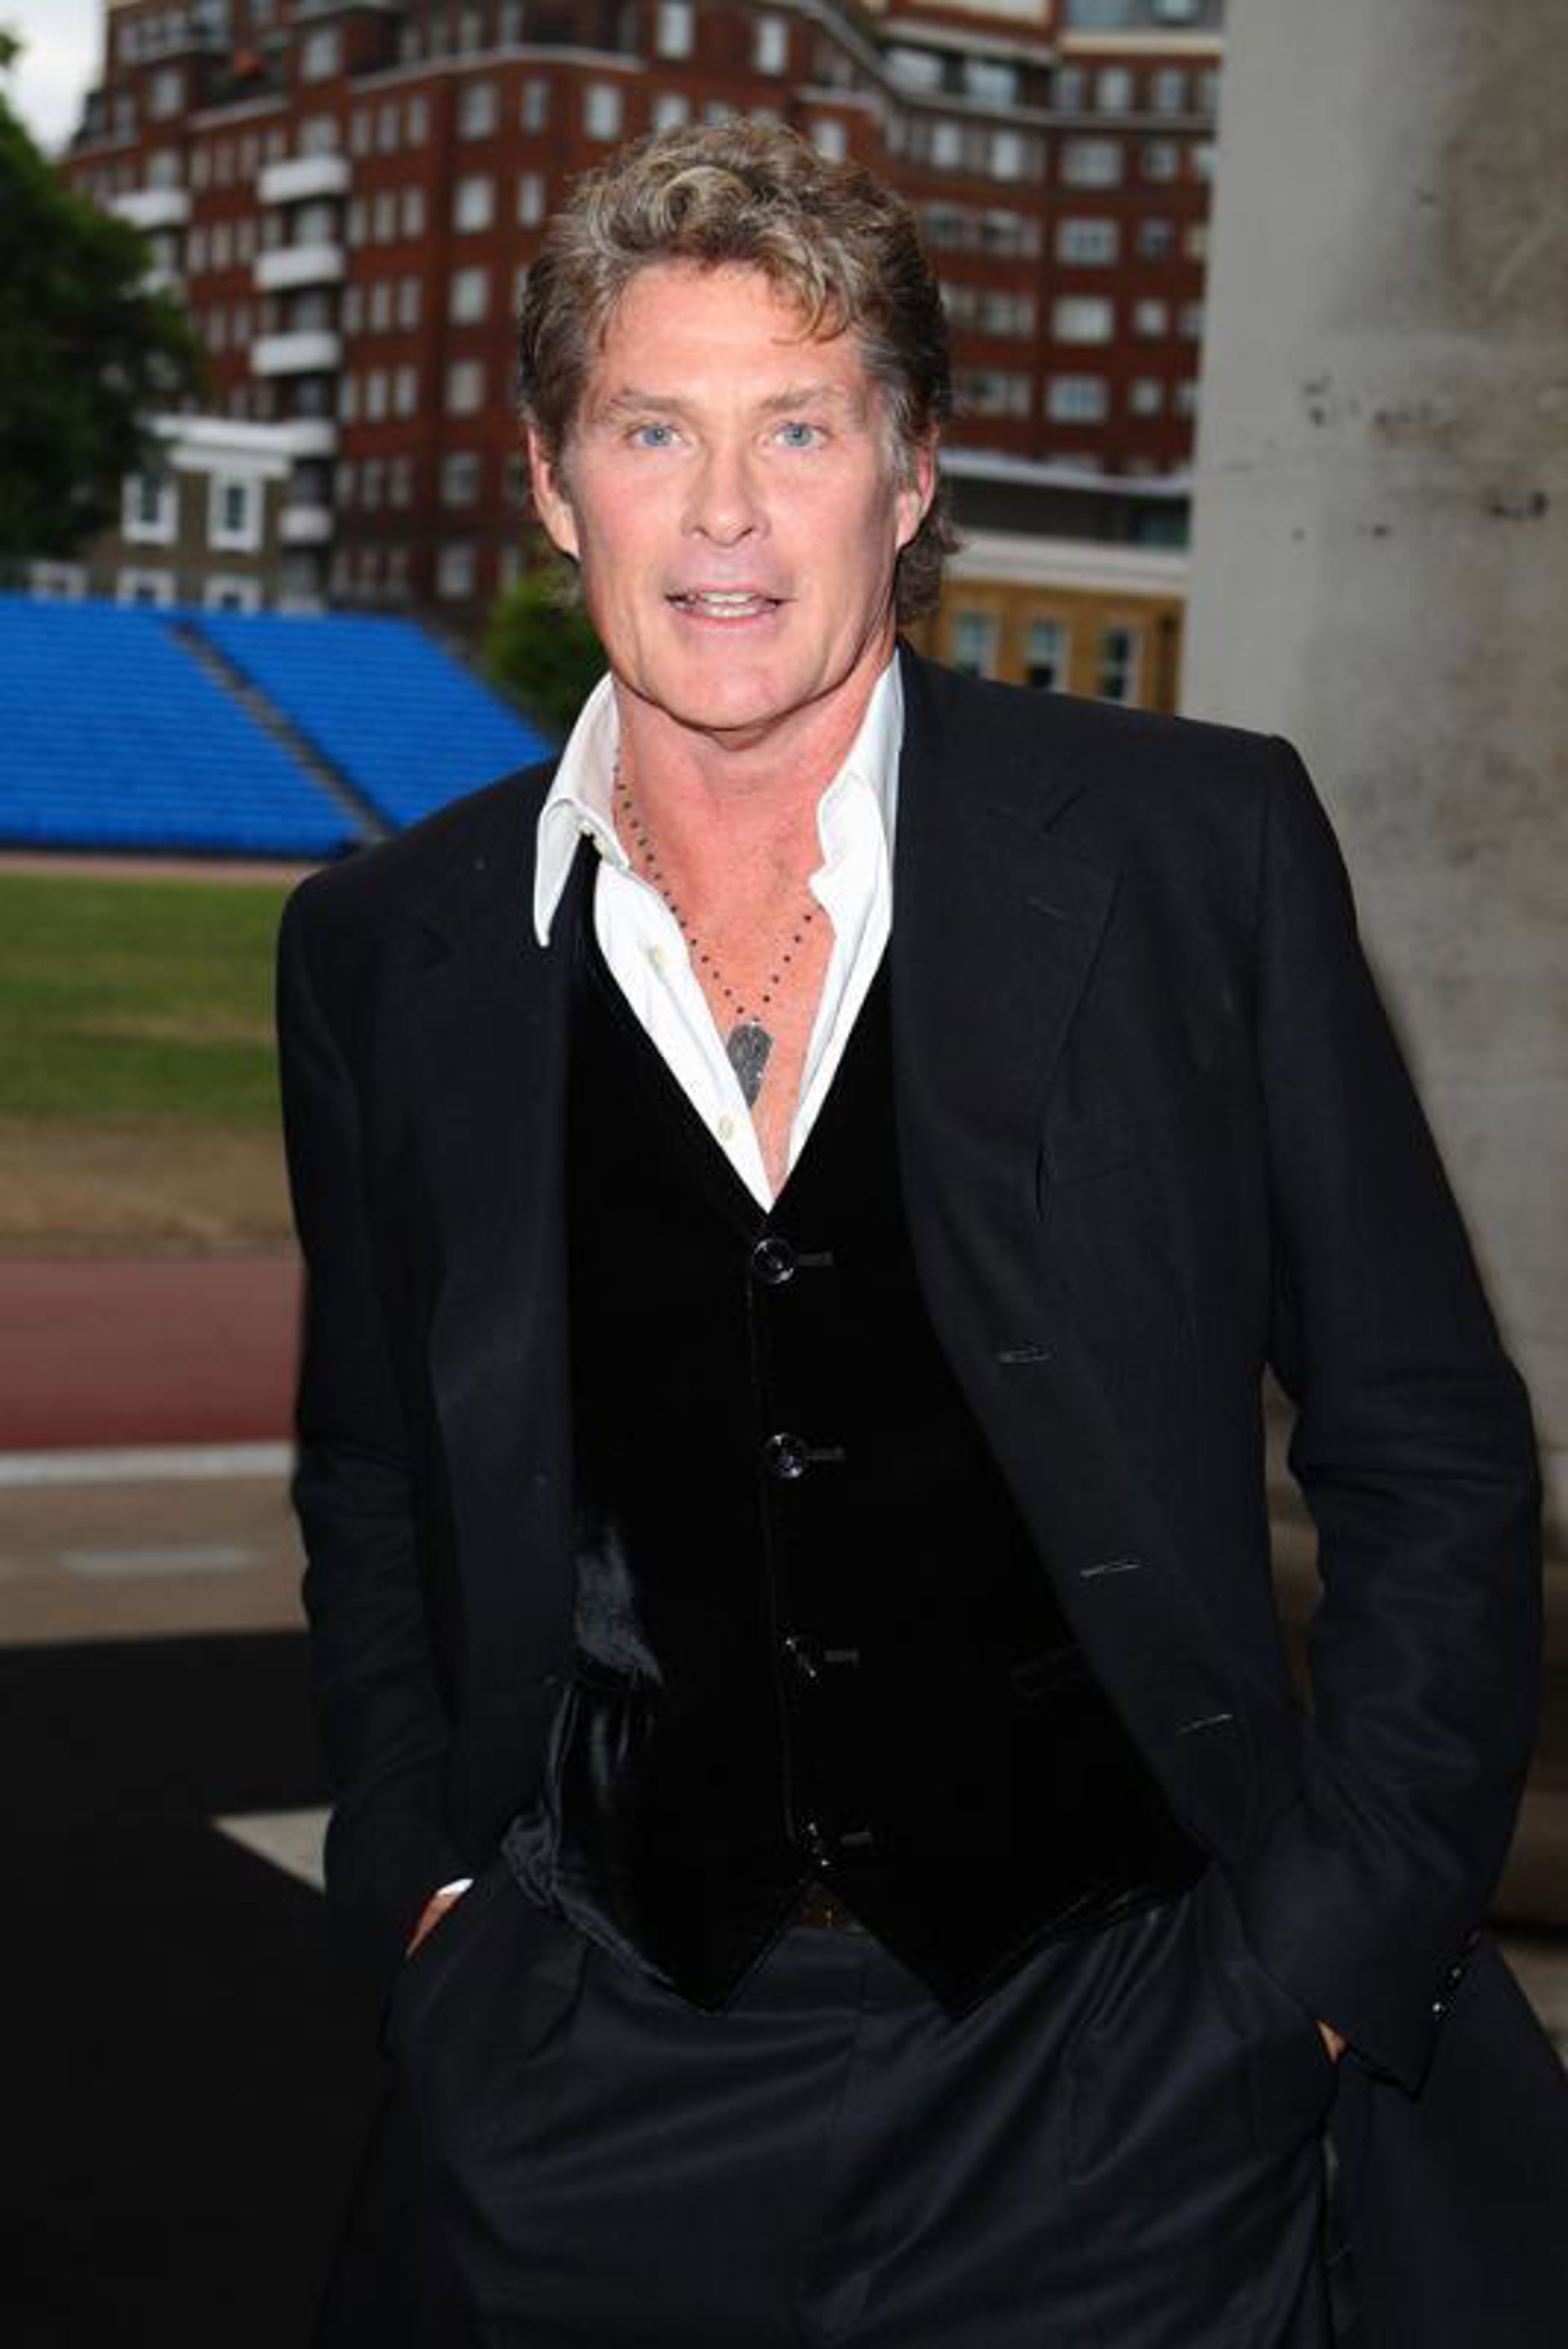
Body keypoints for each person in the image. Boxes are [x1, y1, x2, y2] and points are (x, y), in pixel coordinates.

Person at [276, 123, 1568, 2348]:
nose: (725, 514)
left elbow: (1428, 1445)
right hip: (587, 2074)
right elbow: (375, 1471)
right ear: (553, 482)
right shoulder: (389, 949)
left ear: (913, 474)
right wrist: (422, 1900)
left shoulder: (1195, 854)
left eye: (800, 427)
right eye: (652, 430)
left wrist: (1314, 1973)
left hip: (1131, 2065)